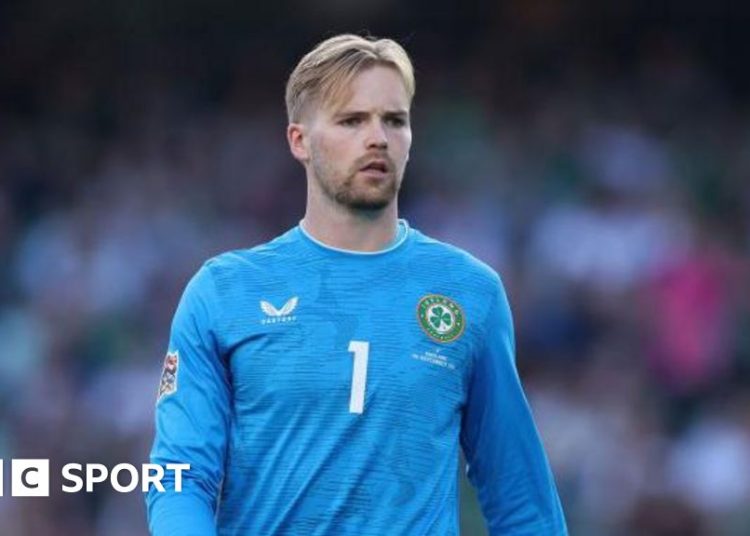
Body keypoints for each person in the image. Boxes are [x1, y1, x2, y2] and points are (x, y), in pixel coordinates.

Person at [146, 33, 567, 535]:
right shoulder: (223, 292)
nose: (378, 138)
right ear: (299, 140)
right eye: (352, 121)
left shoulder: (470, 293)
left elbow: (520, 498)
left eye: (394, 120)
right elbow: (178, 477)